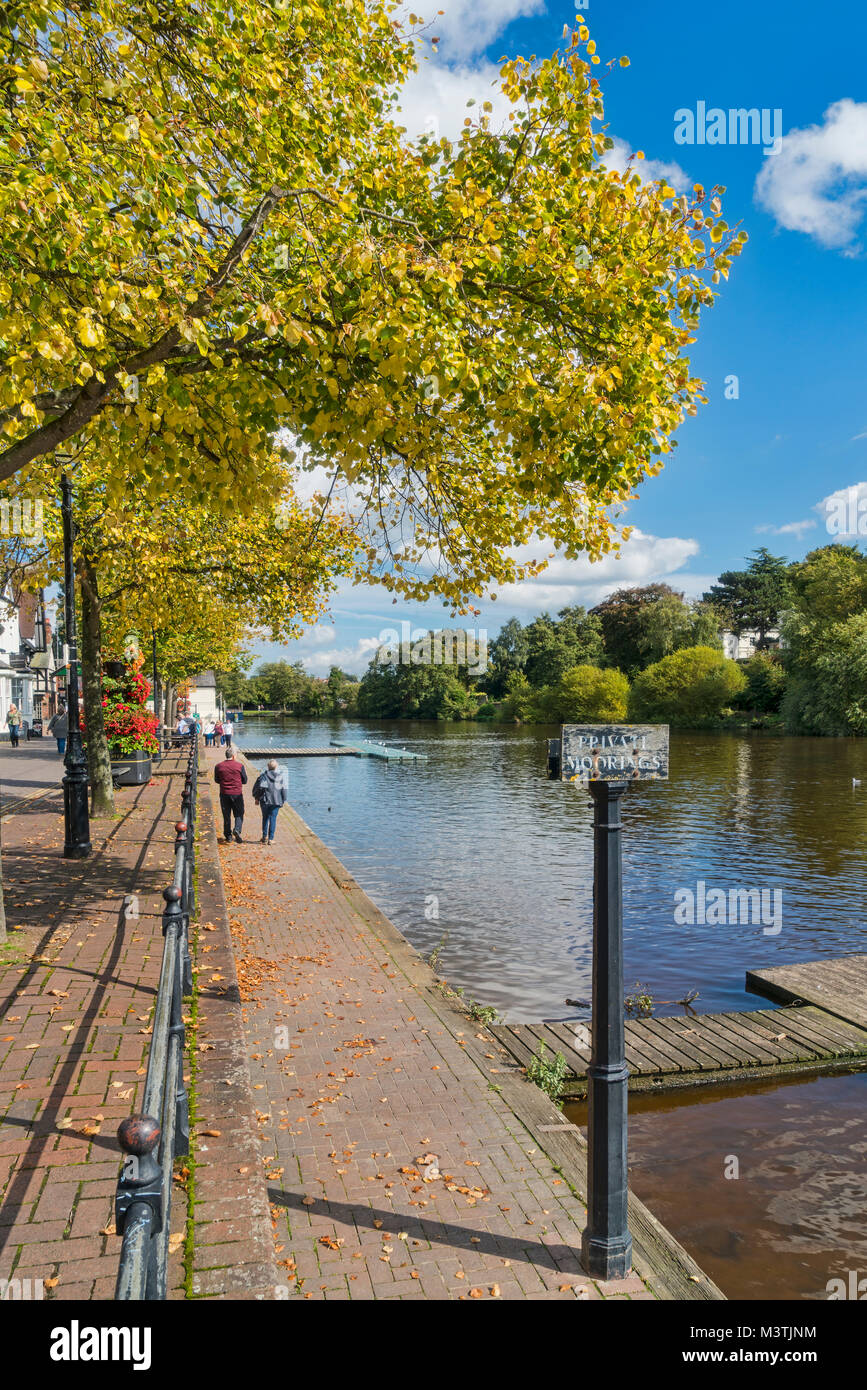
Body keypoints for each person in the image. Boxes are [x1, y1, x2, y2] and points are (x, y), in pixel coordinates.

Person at [213, 744, 247, 843]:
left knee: (226, 815)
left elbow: (216, 779)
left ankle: (228, 835)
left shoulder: (218, 766)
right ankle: (237, 829)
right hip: (237, 794)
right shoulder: (240, 766)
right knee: (239, 813)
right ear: (233, 756)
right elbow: (245, 780)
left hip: (224, 793)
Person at [253, 759, 289, 844]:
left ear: (268, 767)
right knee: (273, 819)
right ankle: (271, 839)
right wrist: (283, 799)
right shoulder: (280, 777)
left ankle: (264, 837)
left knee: (265, 818)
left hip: (265, 800)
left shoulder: (264, 776)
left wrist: (257, 798)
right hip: (276, 801)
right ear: (276, 767)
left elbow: (260, 788)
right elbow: (284, 790)